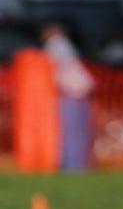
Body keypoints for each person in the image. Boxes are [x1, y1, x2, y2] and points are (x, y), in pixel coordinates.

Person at [40, 23, 94, 171]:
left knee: (69, 132)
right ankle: (79, 164)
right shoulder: (66, 45)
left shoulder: (55, 45)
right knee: (78, 131)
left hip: (70, 92)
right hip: (78, 91)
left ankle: (72, 165)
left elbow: (53, 68)